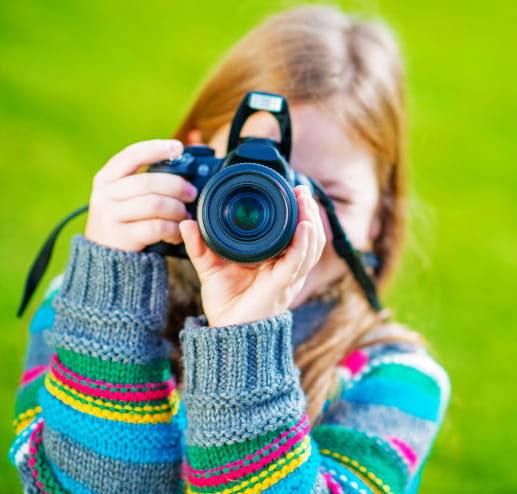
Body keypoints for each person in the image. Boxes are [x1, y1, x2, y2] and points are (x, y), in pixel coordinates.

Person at [10, 5, 449, 493]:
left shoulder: (395, 382)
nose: (289, 219)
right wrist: (109, 299)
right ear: (186, 165)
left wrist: (245, 342)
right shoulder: (78, 310)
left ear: (378, 220)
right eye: (249, 183)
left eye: (328, 197)